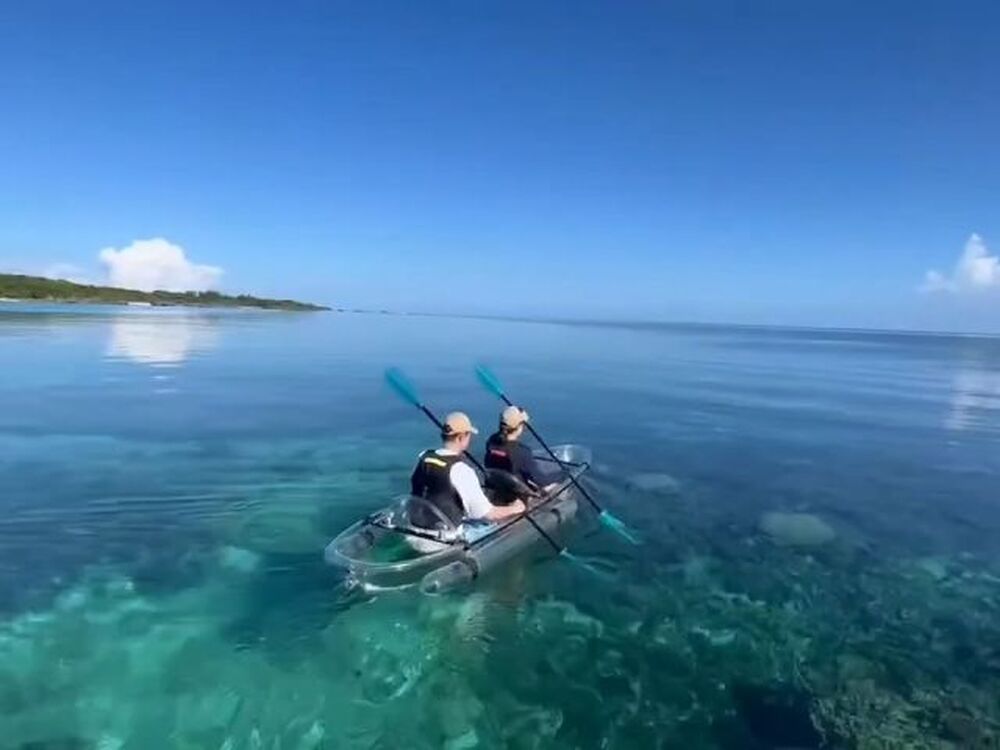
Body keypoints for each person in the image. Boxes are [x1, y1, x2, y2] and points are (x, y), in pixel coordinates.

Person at [409, 411, 526, 534]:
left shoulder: (424, 456)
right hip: (445, 537)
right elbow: (489, 514)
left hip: (414, 530)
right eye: (469, 435)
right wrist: (517, 508)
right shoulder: (461, 470)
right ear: (461, 437)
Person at [484, 406, 560, 495]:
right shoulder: (522, 452)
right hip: (516, 494)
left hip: (496, 488)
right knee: (553, 485)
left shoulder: (491, 441)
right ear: (520, 426)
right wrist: (560, 475)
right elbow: (541, 480)